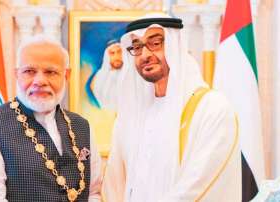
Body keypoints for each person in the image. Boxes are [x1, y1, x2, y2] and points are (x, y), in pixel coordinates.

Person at [102, 14, 241, 202]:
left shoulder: (212, 109)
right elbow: (114, 184)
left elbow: (198, 184)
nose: (145, 55)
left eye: (156, 43)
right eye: (137, 46)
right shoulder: (129, 117)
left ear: (176, 47)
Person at [0, 35, 102, 202]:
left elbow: (94, 193)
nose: (40, 81)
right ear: (17, 75)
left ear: (66, 75)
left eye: (50, 72)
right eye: (29, 71)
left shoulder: (82, 126)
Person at [93, 40, 126, 110]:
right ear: (107, 56)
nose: (116, 56)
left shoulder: (131, 74)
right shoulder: (100, 76)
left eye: (119, 52)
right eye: (112, 53)